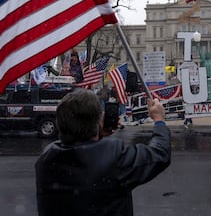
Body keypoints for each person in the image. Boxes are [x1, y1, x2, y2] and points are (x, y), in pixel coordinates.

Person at [35, 89, 171, 216]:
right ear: (98, 121)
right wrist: (159, 120)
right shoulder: (112, 156)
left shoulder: (46, 160)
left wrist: (96, 134)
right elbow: (159, 153)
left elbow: (80, 146)